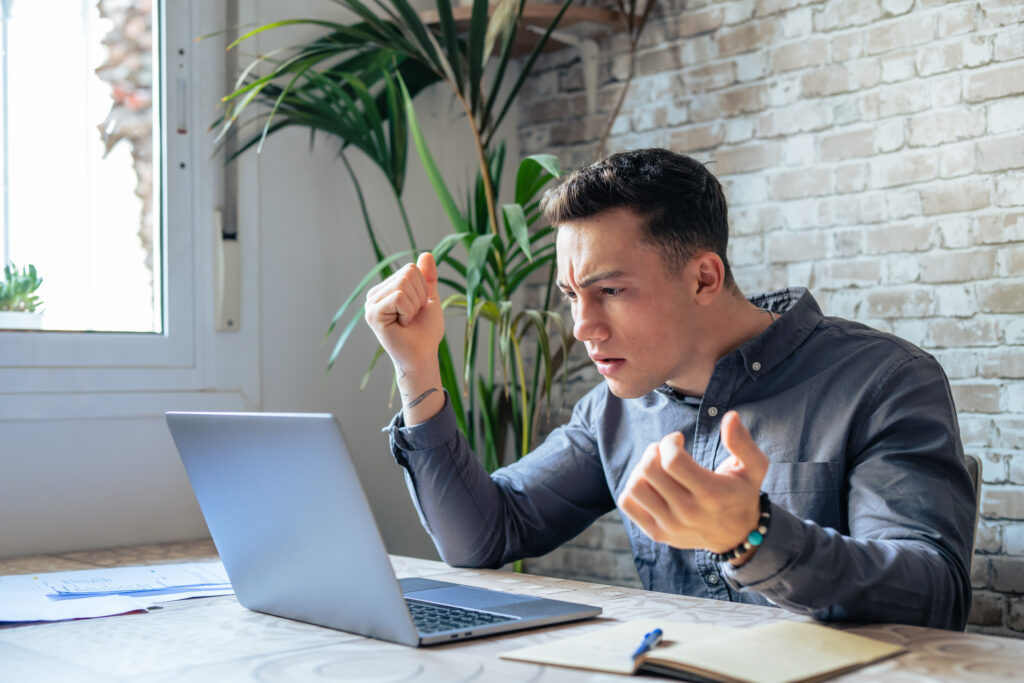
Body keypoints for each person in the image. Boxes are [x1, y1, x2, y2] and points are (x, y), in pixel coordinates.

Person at [363, 148, 975, 631]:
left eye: (611, 291)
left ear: (704, 277)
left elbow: (932, 596)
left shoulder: (883, 381)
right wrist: (418, 369)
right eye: (572, 296)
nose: (582, 328)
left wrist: (753, 533)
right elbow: (483, 536)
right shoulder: (613, 408)